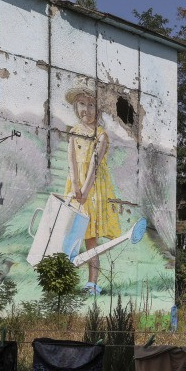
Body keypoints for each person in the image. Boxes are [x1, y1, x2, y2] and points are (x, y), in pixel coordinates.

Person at [63, 85, 120, 294]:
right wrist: (75, 186)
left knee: (90, 238)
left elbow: (94, 167)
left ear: (98, 109)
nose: (86, 109)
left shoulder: (101, 135)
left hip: (94, 190)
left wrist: (85, 192)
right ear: (76, 106)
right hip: (75, 187)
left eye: (91, 105)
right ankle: (63, 279)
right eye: (82, 104)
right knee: (69, 234)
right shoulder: (74, 132)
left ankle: (92, 283)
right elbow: (72, 161)